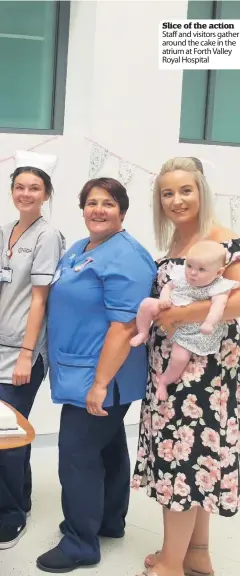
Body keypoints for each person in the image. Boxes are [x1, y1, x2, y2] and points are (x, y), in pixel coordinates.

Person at [36, 177, 156, 573]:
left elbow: (123, 327)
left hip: (102, 375)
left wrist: (101, 383)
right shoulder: (81, 248)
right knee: (106, 449)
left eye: (107, 203)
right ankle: (107, 521)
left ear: (122, 210)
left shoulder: (128, 256)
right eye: (91, 202)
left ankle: (80, 542)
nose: (98, 210)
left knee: (76, 456)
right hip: (80, 367)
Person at [132, 157, 240, 576]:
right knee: (196, 462)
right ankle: (195, 553)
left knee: (182, 461)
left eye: (185, 190)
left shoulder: (224, 240)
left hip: (202, 373)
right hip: (170, 366)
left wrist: (179, 316)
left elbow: (236, 302)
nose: (176, 200)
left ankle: (171, 565)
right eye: (167, 193)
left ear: (201, 191)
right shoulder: (176, 245)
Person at [0, 150, 64, 549]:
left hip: (23, 352)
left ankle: (10, 515)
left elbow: (40, 299)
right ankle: (17, 496)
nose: (26, 193)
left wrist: (27, 354)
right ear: (11, 191)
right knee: (6, 431)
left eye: (34, 188)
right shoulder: (5, 229)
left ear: (46, 194)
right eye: (20, 186)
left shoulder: (47, 236)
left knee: (6, 433)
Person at [131, 240, 240, 400]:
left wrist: (209, 322)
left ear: (218, 272)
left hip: (191, 329)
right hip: (170, 307)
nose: (193, 273)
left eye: (201, 269)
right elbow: (169, 286)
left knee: (180, 358)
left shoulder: (219, 287)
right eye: (189, 266)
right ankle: (142, 332)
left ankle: (165, 381)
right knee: (146, 304)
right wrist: (164, 299)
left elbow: (219, 307)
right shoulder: (182, 276)